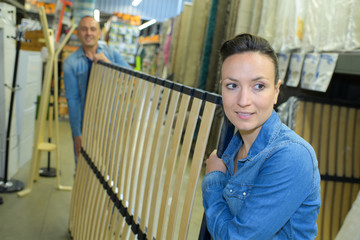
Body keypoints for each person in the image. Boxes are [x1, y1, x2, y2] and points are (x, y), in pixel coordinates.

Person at [202, 33, 321, 239]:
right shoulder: (231, 149)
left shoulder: (292, 156)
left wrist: (213, 180)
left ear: (276, 92)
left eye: (259, 86)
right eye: (232, 85)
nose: (244, 100)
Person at [63, 16, 130, 165]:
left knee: (112, 170)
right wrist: (76, 133)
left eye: (93, 29)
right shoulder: (70, 63)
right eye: (84, 29)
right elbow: (72, 101)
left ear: (99, 33)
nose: (89, 33)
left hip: (110, 122)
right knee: (83, 170)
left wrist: (109, 63)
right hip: (85, 124)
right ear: (78, 33)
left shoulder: (111, 53)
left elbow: (132, 77)